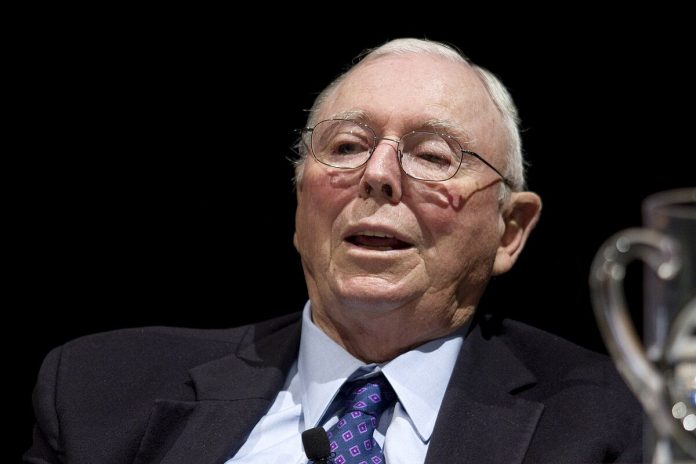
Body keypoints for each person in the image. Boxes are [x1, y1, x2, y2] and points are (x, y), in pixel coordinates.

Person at [24, 38, 642, 464]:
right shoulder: (99, 389)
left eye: (432, 155)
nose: (378, 175)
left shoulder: (619, 419)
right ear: (300, 206)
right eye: (346, 146)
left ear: (510, 231)